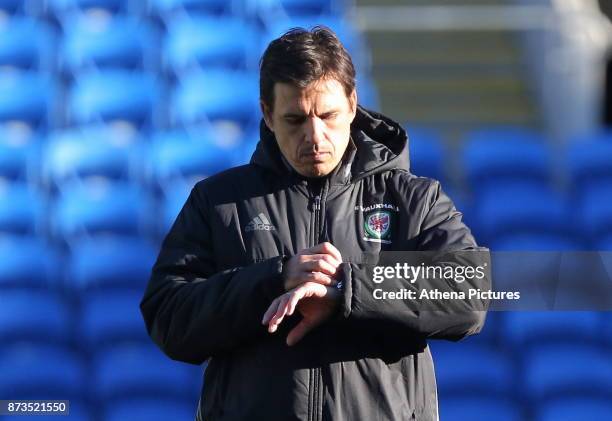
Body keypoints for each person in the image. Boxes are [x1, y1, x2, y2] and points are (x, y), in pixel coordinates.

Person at [140, 26, 488, 421]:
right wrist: (274, 278)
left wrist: (347, 290)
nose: (315, 136)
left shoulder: (412, 198)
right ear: (267, 115)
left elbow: (471, 293)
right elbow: (168, 318)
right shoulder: (218, 202)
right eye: (295, 119)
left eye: (328, 115)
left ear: (353, 105)